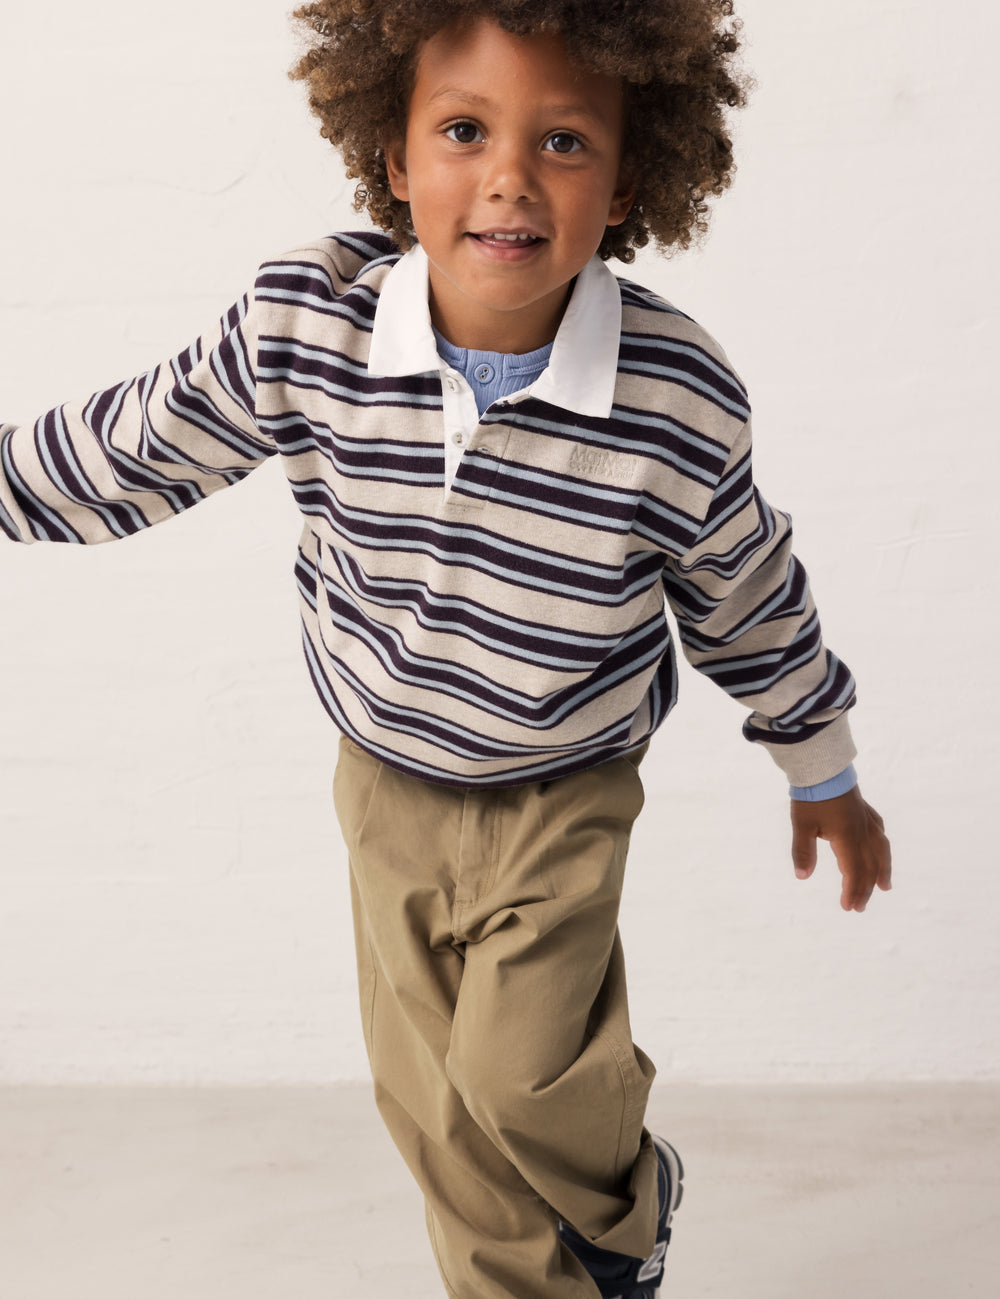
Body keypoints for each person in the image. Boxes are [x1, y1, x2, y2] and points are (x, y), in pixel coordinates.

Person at [0, 1, 892, 1295]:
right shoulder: (308, 324)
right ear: (395, 159)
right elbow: (135, 449)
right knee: (435, 1114)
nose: (510, 178)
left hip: (563, 782)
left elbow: (745, 591)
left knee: (519, 1077)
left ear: (634, 175)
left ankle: (632, 1201)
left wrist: (823, 769)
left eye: (566, 142)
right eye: (464, 131)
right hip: (387, 777)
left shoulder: (672, 395)